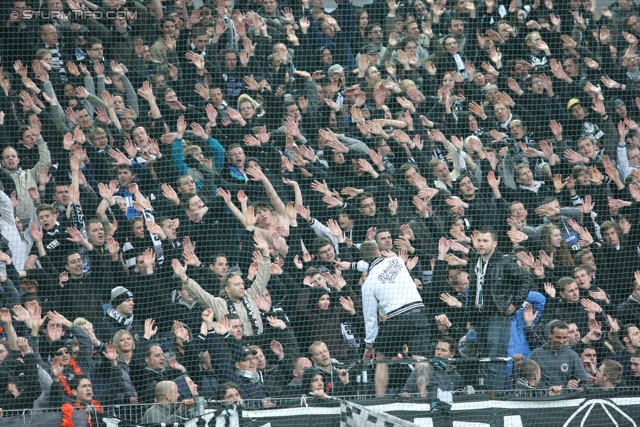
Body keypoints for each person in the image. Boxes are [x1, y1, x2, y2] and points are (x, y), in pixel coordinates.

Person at [360, 241, 431, 397]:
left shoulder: (368, 284)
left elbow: (370, 319)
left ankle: (380, 399)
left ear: (364, 261)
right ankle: (424, 396)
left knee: (382, 358)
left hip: (396, 319)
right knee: (420, 358)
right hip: (418, 313)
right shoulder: (397, 260)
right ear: (378, 252)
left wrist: (369, 345)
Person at [529, 320, 592, 391]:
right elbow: (526, 380)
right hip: (542, 399)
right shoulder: (537, 354)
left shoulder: (572, 356)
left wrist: (576, 387)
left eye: (564, 338)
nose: (561, 341)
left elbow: (586, 383)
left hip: (564, 400)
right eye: (558, 337)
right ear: (550, 334)